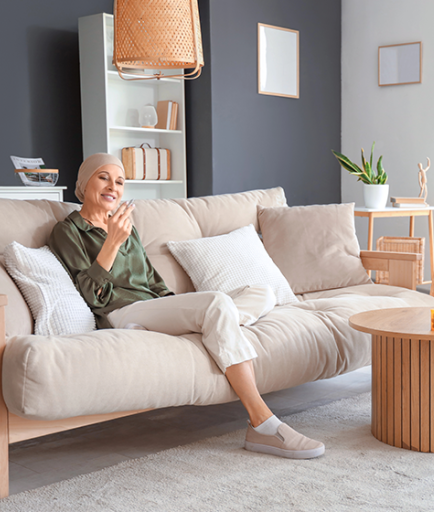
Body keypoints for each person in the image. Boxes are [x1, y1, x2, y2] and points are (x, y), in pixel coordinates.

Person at [48, 153, 324, 459]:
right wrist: (112, 242)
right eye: (103, 177)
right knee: (215, 303)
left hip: (151, 307)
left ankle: (215, 324)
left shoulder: (127, 228)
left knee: (262, 292)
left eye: (120, 181)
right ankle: (263, 424)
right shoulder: (68, 231)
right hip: (121, 311)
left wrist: (173, 305)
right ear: (84, 182)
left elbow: (152, 280)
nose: (113, 186)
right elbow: (91, 293)